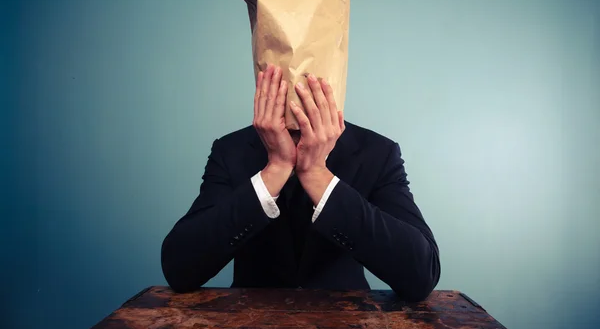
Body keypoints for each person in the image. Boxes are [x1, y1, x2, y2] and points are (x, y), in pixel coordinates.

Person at [161, 64, 440, 301]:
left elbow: (421, 273)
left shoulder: (376, 152)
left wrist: (317, 175)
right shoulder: (231, 151)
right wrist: (276, 169)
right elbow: (179, 267)